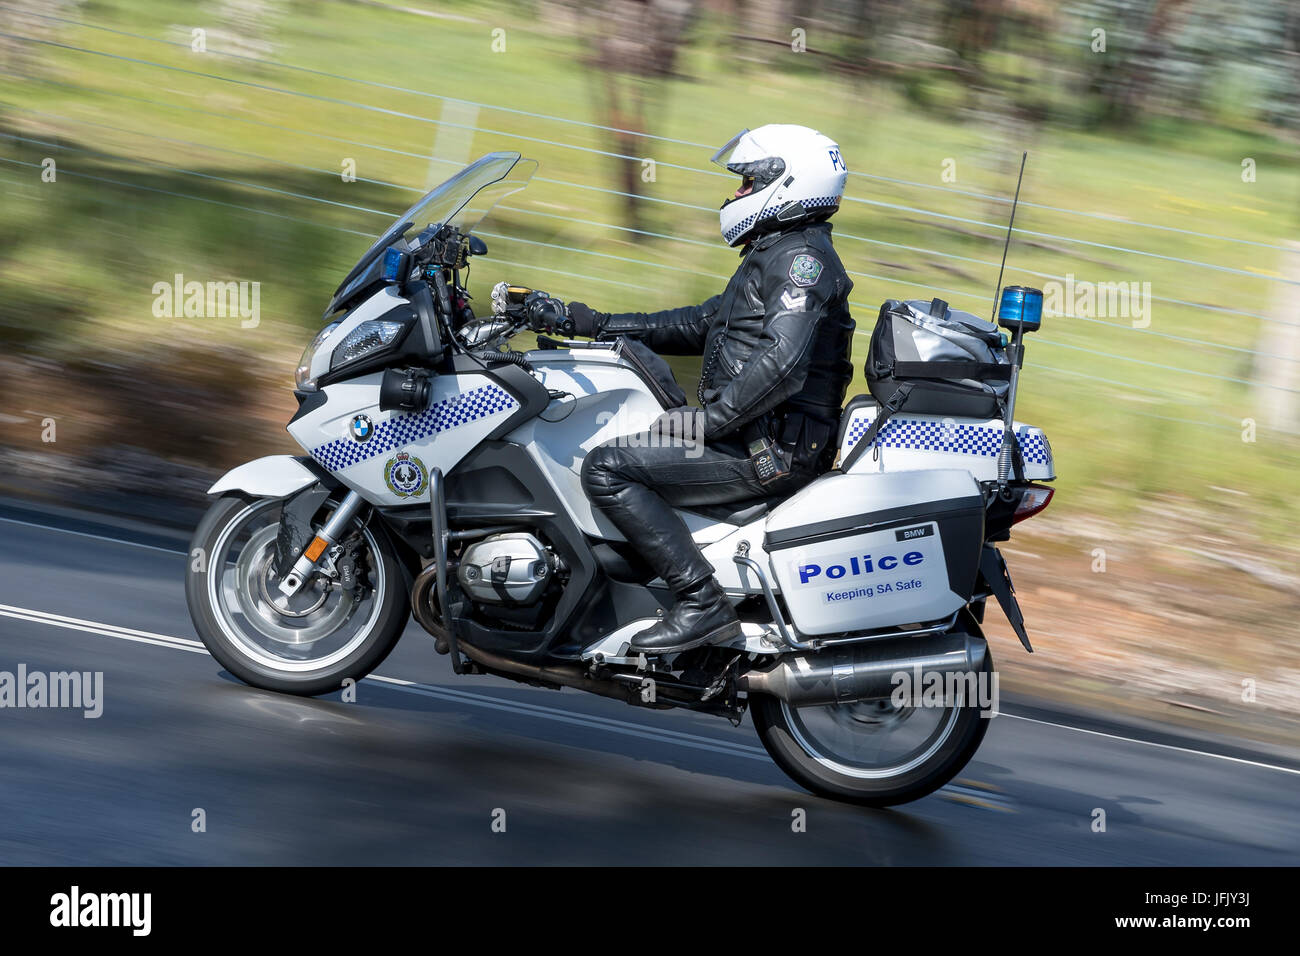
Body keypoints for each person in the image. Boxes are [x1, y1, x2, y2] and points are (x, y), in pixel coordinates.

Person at [570, 125, 855, 655]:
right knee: (625, 431)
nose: (737, 194)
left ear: (785, 184)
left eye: (747, 183)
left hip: (768, 451)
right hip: (754, 437)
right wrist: (593, 323)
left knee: (606, 467)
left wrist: (709, 422)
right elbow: (701, 323)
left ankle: (701, 603)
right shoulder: (775, 252)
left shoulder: (801, 264)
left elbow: (783, 362)